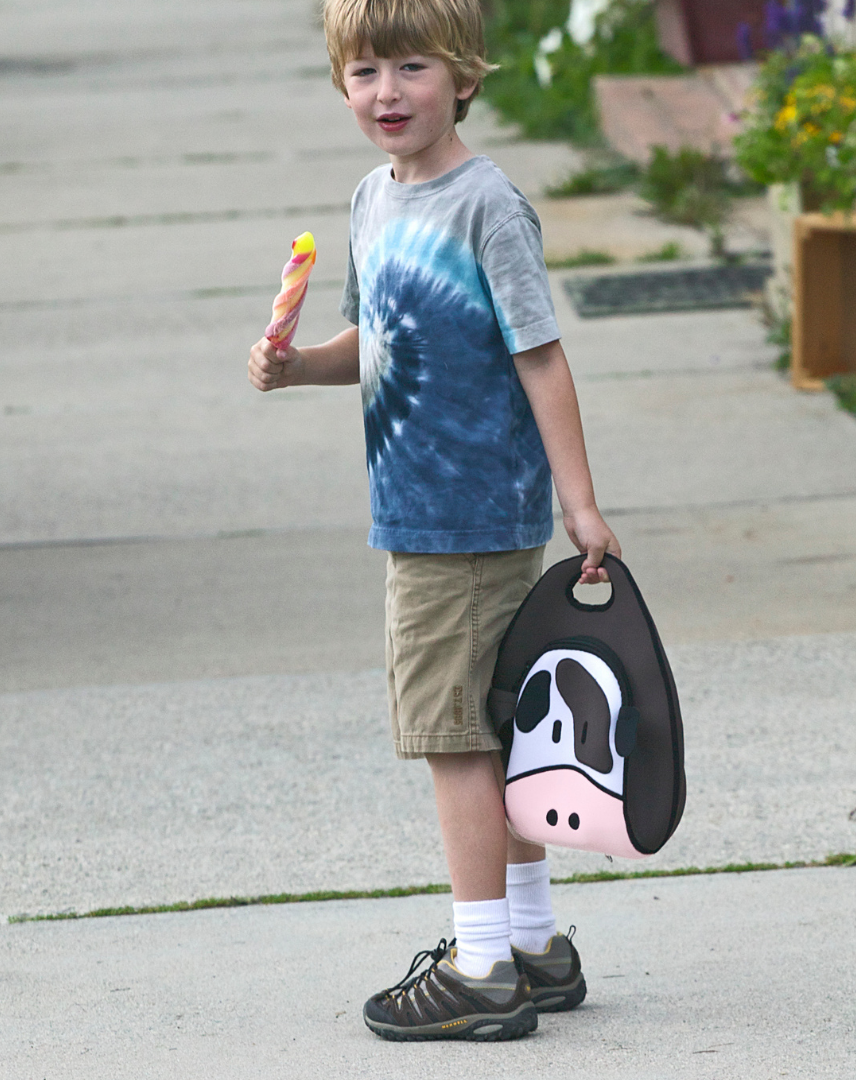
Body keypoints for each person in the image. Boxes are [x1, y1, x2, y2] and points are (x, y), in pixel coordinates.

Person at [248, 0, 620, 1042]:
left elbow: (539, 354)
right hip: (423, 510)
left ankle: (482, 966)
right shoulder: (374, 199)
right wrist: (295, 367)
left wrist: (579, 503)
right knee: (492, 725)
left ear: (465, 75)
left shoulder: (485, 206)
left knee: (456, 740)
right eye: (364, 72)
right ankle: (537, 944)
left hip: (467, 519)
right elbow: (369, 341)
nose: (387, 93)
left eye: (412, 68)